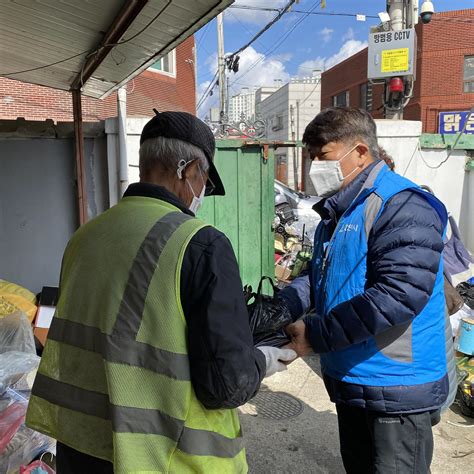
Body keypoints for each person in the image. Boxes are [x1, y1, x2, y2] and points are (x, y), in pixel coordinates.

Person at [26, 111, 296, 473]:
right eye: (204, 180)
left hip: (81, 449)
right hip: (164, 459)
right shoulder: (200, 243)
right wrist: (262, 359)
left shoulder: (84, 237)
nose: (201, 193)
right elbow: (226, 386)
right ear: (188, 171)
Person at [281, 107, 449, 474]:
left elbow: (398, 295)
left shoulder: (401, 205)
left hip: (396, 387)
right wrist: (285, 305)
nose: (314, 168)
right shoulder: (337, 213)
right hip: (352, 378)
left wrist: (316, 334)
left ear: (360, 152)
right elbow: (319, 275)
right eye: (310, 158)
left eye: (322, 156)